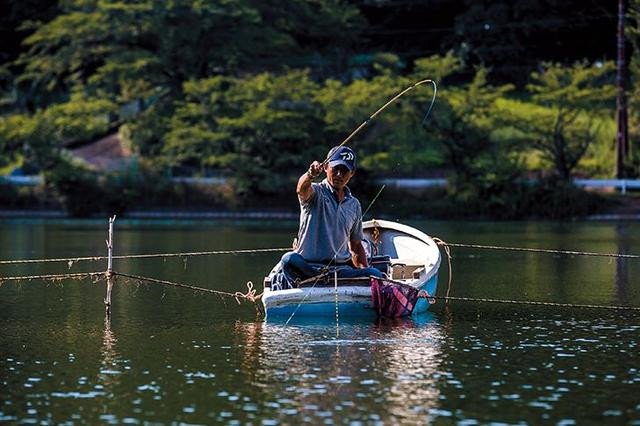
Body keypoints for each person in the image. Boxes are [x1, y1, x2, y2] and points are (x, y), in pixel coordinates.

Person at [279, 146, 384, 284]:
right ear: (326, 167)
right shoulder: (316, 193)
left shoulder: (354, 205)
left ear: (351, 173)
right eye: (336, 169)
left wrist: (366, 273)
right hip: (308, 269)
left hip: (340, 271)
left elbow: (356, 247)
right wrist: (310, 174)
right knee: (288, 259)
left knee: (375, 273)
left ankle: (323, 282)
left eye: (345, 170)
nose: (339, 175)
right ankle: (318, 280)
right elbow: (301, 189)